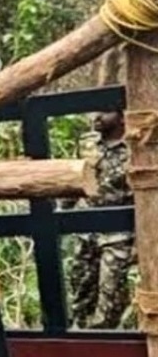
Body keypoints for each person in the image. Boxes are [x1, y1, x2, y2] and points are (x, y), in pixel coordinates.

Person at [67, 110, 135, 328]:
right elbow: (73, 181)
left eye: (104, 112)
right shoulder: (89, 144)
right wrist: (61, 214)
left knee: (111, 297)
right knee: (80, 295)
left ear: (122, 116)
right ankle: (81, 344)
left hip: (118, 235)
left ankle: (107, 345)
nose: (95, 117)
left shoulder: (134, 148)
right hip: (86, 232)